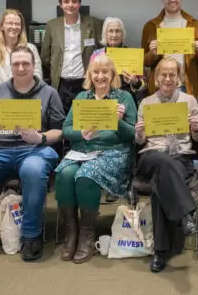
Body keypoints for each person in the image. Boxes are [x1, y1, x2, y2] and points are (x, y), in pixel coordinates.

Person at [0, 46, 65, 263]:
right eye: (16, 64)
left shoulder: (49, 93)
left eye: (26, 63)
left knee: (32, 170)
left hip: (35, 150)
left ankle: (31, 234)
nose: (21, 68)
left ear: (34, 65)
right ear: (10, 66)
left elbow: (60, 130)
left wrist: (41, 138)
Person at [55, 54, 136, 264]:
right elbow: (66, 129)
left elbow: (134, 134)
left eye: (105, 72)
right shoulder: (82, 98)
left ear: (112, 75)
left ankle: (86, 235)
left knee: (85, 176)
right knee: (64, 175)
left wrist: (118, 121)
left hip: (113, 152)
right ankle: (71, 233)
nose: (100, 76)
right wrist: (80, 133)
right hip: (82, 151)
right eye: (96, 72)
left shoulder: (124, 98)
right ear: (90, 74)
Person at [134, 57, 198, 272]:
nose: (167, 78)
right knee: (162, 162)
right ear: (156, 78)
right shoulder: (146, 103)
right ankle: (185, 214)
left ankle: (160, 252)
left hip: (181, 157)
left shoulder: (189, 100)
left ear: (179, 78)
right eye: (163, 74)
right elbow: (139, 142)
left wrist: (195, 128)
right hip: (151, 156)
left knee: (159, 186)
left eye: (172, 74)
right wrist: (139, 132)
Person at [141, 0, 198, 98]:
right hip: (159, 86)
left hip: (186, 85)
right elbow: (144, 61)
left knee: (189, 117)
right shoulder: (151, 26)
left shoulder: (195, 25)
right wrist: (152, 54)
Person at [41, 0, 103, 113]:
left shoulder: (94, 24)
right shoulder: (52, 25)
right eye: (66, 1)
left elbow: (102, 52)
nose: (70, 5)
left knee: (86, 120)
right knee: (61, 120)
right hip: (61, 84)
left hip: (86, 83)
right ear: (61, 5)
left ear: (79, 3)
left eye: (74, 1)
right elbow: (45, 57)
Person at [0, 9, 43, 91]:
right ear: (2, 26)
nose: (14, 27)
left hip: (27, 97)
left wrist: (28, 93)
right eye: (10, 23)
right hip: (0, 99)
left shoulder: (31, 49)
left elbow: (37, 75)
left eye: (17, 24)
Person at [90, 17, 145, 105]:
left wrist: (135, 82)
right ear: (105, 34)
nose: (114, 35)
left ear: (122, 34)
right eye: (110, 31)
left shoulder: (133, 55)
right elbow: (89, 81)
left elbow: (143, 86)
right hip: (101, 100)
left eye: (117, 31)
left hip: (127, 100)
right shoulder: (96, 54)